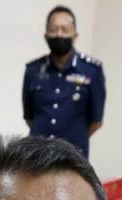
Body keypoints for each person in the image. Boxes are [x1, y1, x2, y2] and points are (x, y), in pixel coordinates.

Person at [22, 5, 105, 158]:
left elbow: (96, 121)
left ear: (75, 35)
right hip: (37, 156)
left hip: (74, 157)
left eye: (65, 29)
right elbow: (29, 117)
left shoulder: (91, 70)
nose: (59, 34)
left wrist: (73, 139)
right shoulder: (33, 70)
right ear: (46, 35)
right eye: (53, 29)